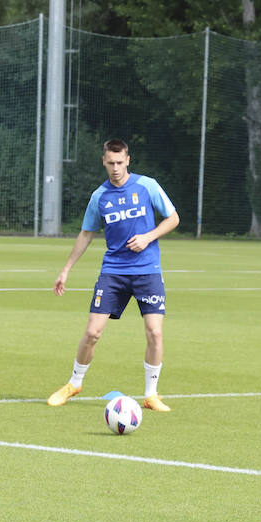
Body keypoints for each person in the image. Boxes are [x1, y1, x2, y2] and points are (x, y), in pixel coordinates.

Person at [47, 139, 180, 412]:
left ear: (128, 160)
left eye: (120, 162)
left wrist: (148, 237)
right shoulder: (99, 196)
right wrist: (66, 269)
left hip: (147, 271)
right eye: (111, 163)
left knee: (155, 332)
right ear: (104, 161)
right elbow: (86, 233)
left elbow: (173, 218)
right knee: (93, 332)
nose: (116, 168)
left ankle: (151, 394)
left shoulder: (147, 186)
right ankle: (74, 383)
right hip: (113, 272)